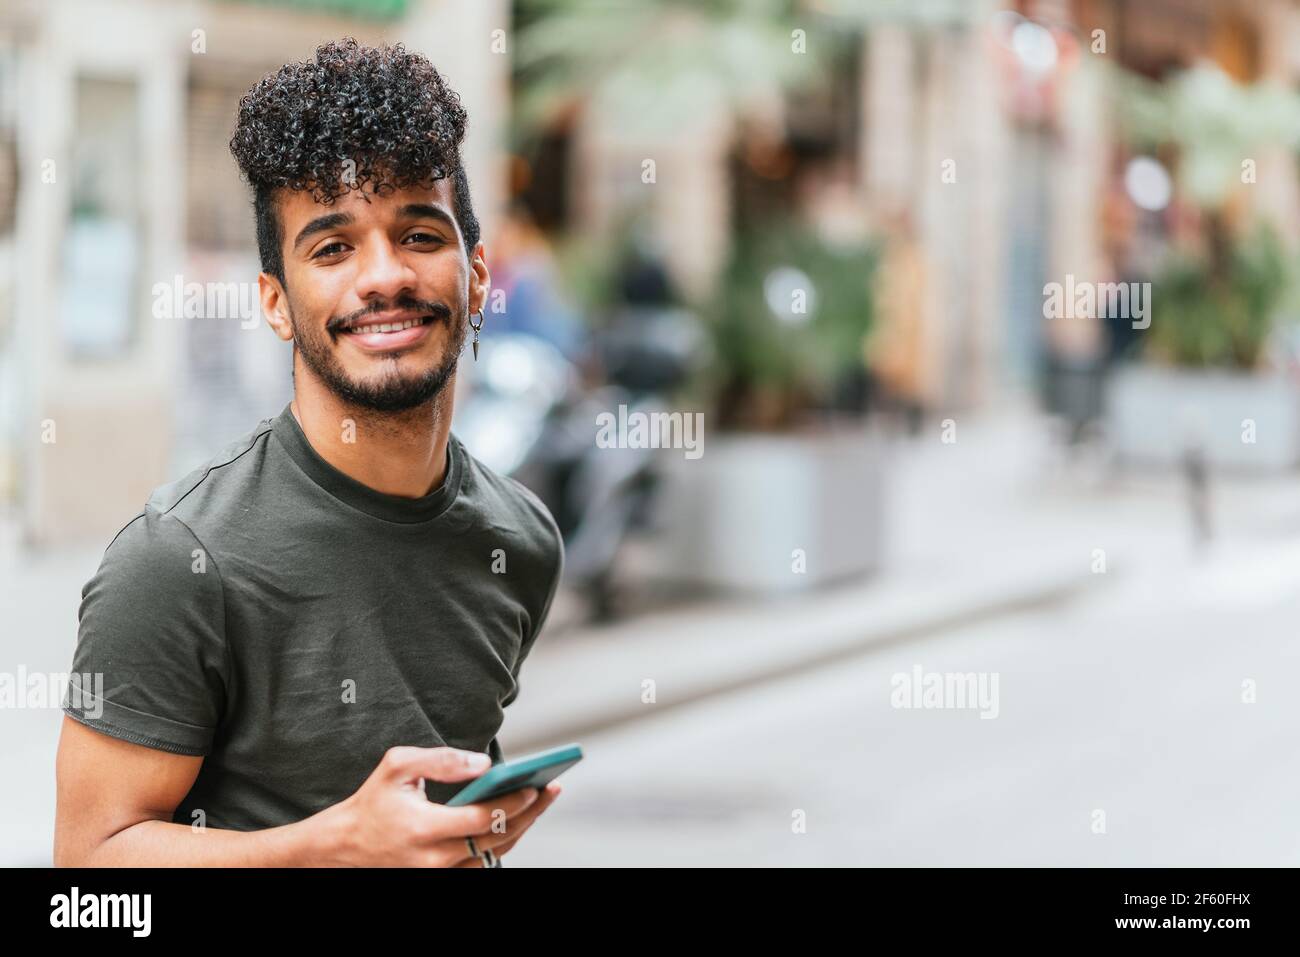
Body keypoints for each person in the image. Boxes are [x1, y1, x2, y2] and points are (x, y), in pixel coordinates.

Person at [53, 39, 564, 867]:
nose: (384, 276)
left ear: (476, 273)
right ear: (277, 303)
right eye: (332, 248)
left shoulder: (522, 539)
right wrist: (336, 845)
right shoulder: (178, 559)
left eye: (420, 234)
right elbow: (88, 874)